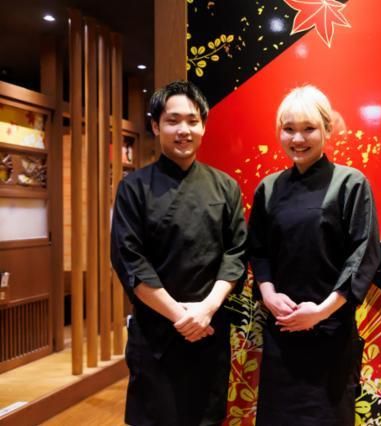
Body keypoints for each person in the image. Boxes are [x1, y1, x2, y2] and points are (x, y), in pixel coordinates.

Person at [111, 80, 246, 426]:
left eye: (192, 120)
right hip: (155, 335)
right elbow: (130, 259)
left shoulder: (225, 187)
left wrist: (206, 310)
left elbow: (236, 254)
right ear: (156, 126)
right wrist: (180, 317)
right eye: (172, 121)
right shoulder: (133, 188)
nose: (183, 130)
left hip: (209, 331)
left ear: (203, 125)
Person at [248, 85, 381, 425]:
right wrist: (269, 295)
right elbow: (258, 250)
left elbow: (363, 255)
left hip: (331, 332)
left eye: (309, 128)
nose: (298, 138)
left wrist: (320, 312)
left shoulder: (350, 183)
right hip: (281, 331)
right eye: (289, 129)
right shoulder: (269, 188)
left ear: (327, 129)